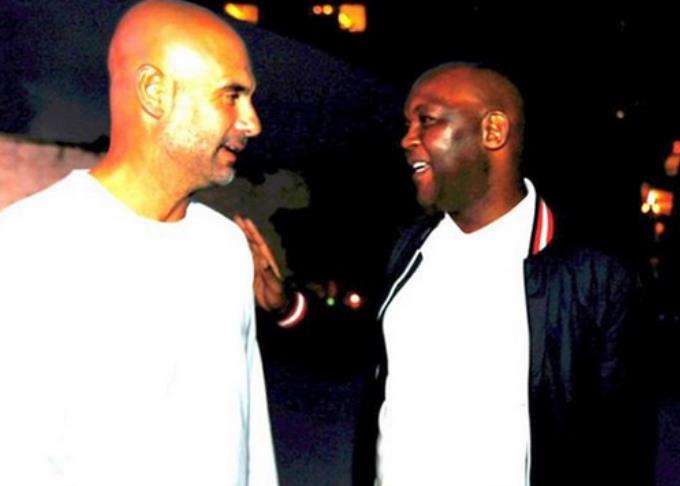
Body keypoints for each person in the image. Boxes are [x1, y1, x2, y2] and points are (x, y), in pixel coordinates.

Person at [247, 62, 653, 485]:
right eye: (407, 124)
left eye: (426, 120)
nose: (407, 139)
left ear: (493, 131)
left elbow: (622, 447)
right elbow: (359, 348)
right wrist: (287, 306)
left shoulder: (595, 276)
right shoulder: (407, 247)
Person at [0, 1, 278, 484]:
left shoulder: (225, 247)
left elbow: (251, 435)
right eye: (231, 95)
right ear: (155, 92)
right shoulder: (30, 247)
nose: (251, 122)